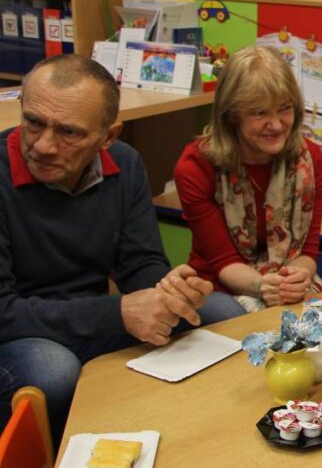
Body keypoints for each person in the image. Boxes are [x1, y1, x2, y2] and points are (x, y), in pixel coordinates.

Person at [0, 54, 237, 445]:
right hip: (19, 334)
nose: (43, 146)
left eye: (69, 133)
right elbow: (5, 314)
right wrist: (121, 311)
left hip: (89, 320)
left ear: (108, 137)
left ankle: (187, 437)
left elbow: (140, 263)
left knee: (219, 312)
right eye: (33, 123)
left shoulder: (124, 164)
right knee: (53, 368)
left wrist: (167, 291)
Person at [173, 46, 322, 313]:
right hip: (218, 289)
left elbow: (308, 252)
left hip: (284, 283)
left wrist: (298, 277)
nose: (277, 124)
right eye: (260, 113)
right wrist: (263, 287)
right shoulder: (196, 167)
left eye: (284, 109)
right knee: (228, 313)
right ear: (232, 115)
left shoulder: (312, 161)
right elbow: (223, 262)